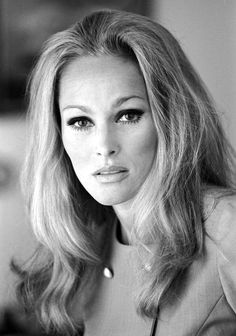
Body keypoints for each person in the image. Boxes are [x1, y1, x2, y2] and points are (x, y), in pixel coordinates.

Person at [11, 9, 236, 336]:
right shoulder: (85, 249)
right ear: (58, 135)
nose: (104, 145)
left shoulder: (227, 226)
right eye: (80, 121)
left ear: (169, 121)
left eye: (128, 115)